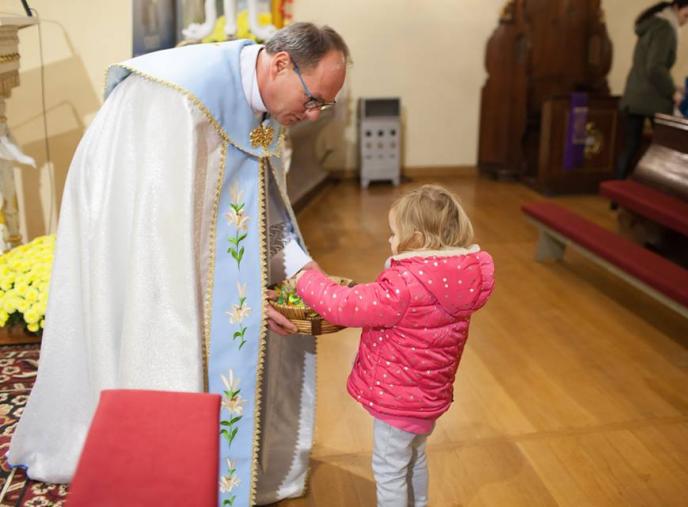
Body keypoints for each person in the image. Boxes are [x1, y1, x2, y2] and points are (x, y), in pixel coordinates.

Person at [8, 22, 348, 506]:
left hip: (179, 238)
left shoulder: (265, 112)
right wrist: (244, 299)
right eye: (313, 99)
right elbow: (163, 244)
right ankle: (162, 461)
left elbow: (262, 213)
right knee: (160, 330)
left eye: (323, 106)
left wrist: (301, 271)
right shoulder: (182, 103)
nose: (313, 114)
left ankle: (208, 456)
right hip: (136, 229)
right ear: (279, 64)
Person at [294, 185, 495, 506]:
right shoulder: (460, 279)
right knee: (414, 457)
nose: (390, 240)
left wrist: (305, 279)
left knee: (389, 469)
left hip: (398, 401)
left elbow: (344, 305)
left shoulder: (405, 286)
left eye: (394, 233)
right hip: (429, 397)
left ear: (416, 238)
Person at [615, 0, 688, 181]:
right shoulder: (665, 28)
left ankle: (615, 190)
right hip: (653, 99)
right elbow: (655, 68)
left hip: (634, 95)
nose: (686, 21)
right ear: (676, 8)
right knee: (665, 148)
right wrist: (672, 92)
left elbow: (647, 67)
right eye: (686, 15)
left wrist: (673, 86)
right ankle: (659, 190)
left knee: (630, 147)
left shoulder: (651, 25)